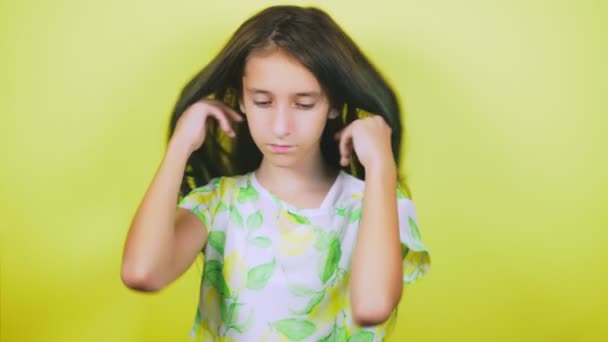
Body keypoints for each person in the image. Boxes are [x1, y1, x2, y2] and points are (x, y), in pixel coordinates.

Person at [121, 5, 431, 341]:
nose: (281, 127)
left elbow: (372, 307)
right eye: (263, 102)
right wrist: (180, 145)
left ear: (333, 104)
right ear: (240, 98)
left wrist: (380, 164)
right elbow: (142, 273)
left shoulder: (375, 202)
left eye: (304, 103)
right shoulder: (219, 203)